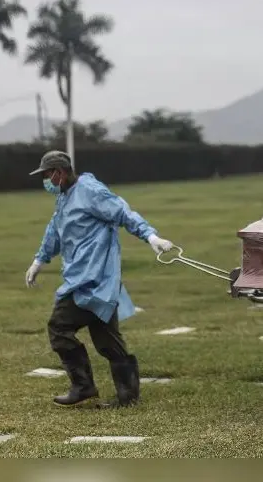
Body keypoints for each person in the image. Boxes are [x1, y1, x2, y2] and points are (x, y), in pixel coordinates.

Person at [24, 150, 176, 408]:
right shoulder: (65, 196)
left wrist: (151, 237)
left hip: (92, 280)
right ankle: (127, 397)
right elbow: (55, 230)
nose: (46, 181)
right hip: (89, 280)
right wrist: (40, 260)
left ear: (59, 173)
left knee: (59, 327)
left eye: (48, 175)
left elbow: (122, 212)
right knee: (108, 341)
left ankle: (83, 386)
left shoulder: (91, 191)